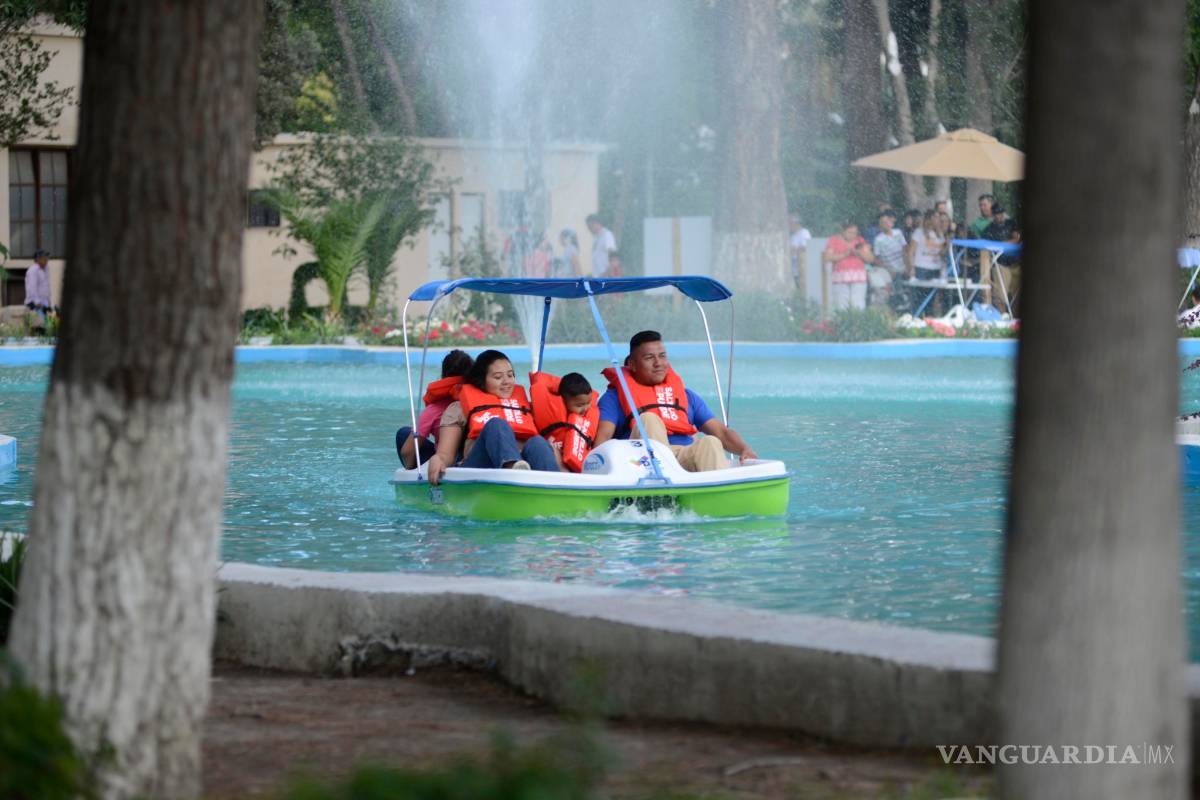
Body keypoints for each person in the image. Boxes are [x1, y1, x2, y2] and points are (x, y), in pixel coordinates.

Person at [593, 331, 757, 472]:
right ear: (632, 365)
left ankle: (719, 497)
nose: (658, 363)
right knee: (649, 419)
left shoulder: (687, 396)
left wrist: (744, 449)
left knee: (711, 442)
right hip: (640, 462)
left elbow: (721, 432)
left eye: (662, 356)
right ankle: (661, 488)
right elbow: (602, 441)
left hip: (682, 456)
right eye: (649, 358)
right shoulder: (613, 398)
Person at [425, 350, 559, 485]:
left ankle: (555, 489)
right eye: (498, 377)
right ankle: (512, 470)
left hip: (526, 466)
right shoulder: (458, 408)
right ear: (482, 380)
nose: (506, 382)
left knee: (538, 442)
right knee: (496, 425)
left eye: (510, 375)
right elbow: (446, 454)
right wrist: (438, 459)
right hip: (478, 467)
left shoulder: (526, 407)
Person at [396, 349, 472, 468]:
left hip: (442, 464)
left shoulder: (434, 410)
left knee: (403, 433)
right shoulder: (477, 402)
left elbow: (407, 451)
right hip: (471, 458)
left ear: (443, 376)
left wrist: (410, 472)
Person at [529, 371, 599, 472]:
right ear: (563, 400)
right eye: (579, 405)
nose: (586, 409)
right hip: (555, 465)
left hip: (580, 467)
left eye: (588, 403)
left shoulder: (588, 417)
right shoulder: (545, 412)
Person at [822, 220, 873, 311]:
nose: (852, 235)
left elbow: (870, 259)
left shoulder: (860, 240)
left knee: (858, 305)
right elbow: (827, 257)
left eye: (855, 233)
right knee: (842, 306)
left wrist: (857, 252)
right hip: (840, 279)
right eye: (850, 232)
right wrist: (845, 254)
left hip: (858, 278)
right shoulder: (834, 240)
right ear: (843, 231)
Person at [983, 205, 1021, 314]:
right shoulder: (989, 229)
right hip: (1001, 263)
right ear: (993, 215)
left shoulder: (1011, 223)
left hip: (1016, 263)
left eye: (1000, 213)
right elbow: (988, 247)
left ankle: (1014, 317)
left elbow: (1016, 238)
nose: (999, 216)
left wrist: (1001, 244)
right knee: (1000, 294)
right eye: (996, 214)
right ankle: (1003, 316)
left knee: (1017, 292)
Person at [871, 210, 906, 306]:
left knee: (904, 290)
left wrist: (907, 266)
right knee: (893, 293)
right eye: (883, 223)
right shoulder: (878, 239)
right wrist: (888, 270)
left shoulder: (898, 233)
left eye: (888, 221)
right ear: (880, 225)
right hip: (890, 271)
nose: (886, 224)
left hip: (902, 268)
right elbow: (877, 259)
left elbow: (904, 249)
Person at [24, 249, 52, 332]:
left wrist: (48, 301)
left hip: (44, 303)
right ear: (38, 259)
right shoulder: (33, 270)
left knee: (47, 329)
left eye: (47, 258)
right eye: (45, 258)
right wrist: (37, 302)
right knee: (38, 329)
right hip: (36, 304)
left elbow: (46, 286)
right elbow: (31, 288)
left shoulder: (45, 269)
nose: (47, 260)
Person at [788, 213, 812, 290]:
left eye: (790, 224)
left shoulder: (804, 232)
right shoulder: (792, 236)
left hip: (802, 268)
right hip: (793, 268)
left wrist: (794, 249)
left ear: (795, 223)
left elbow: (806, 247)